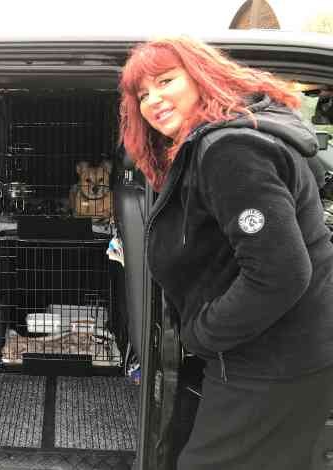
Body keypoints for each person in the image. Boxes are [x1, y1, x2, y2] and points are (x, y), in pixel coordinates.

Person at [120, 36, 333, 469]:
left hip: (271, 359)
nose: (153, 99)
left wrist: (203, 334)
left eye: (165, 81)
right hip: (286, 349)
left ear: (202, 76)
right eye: (143, 94)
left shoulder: (230, 151)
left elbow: (279, 273)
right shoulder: (232, 138)